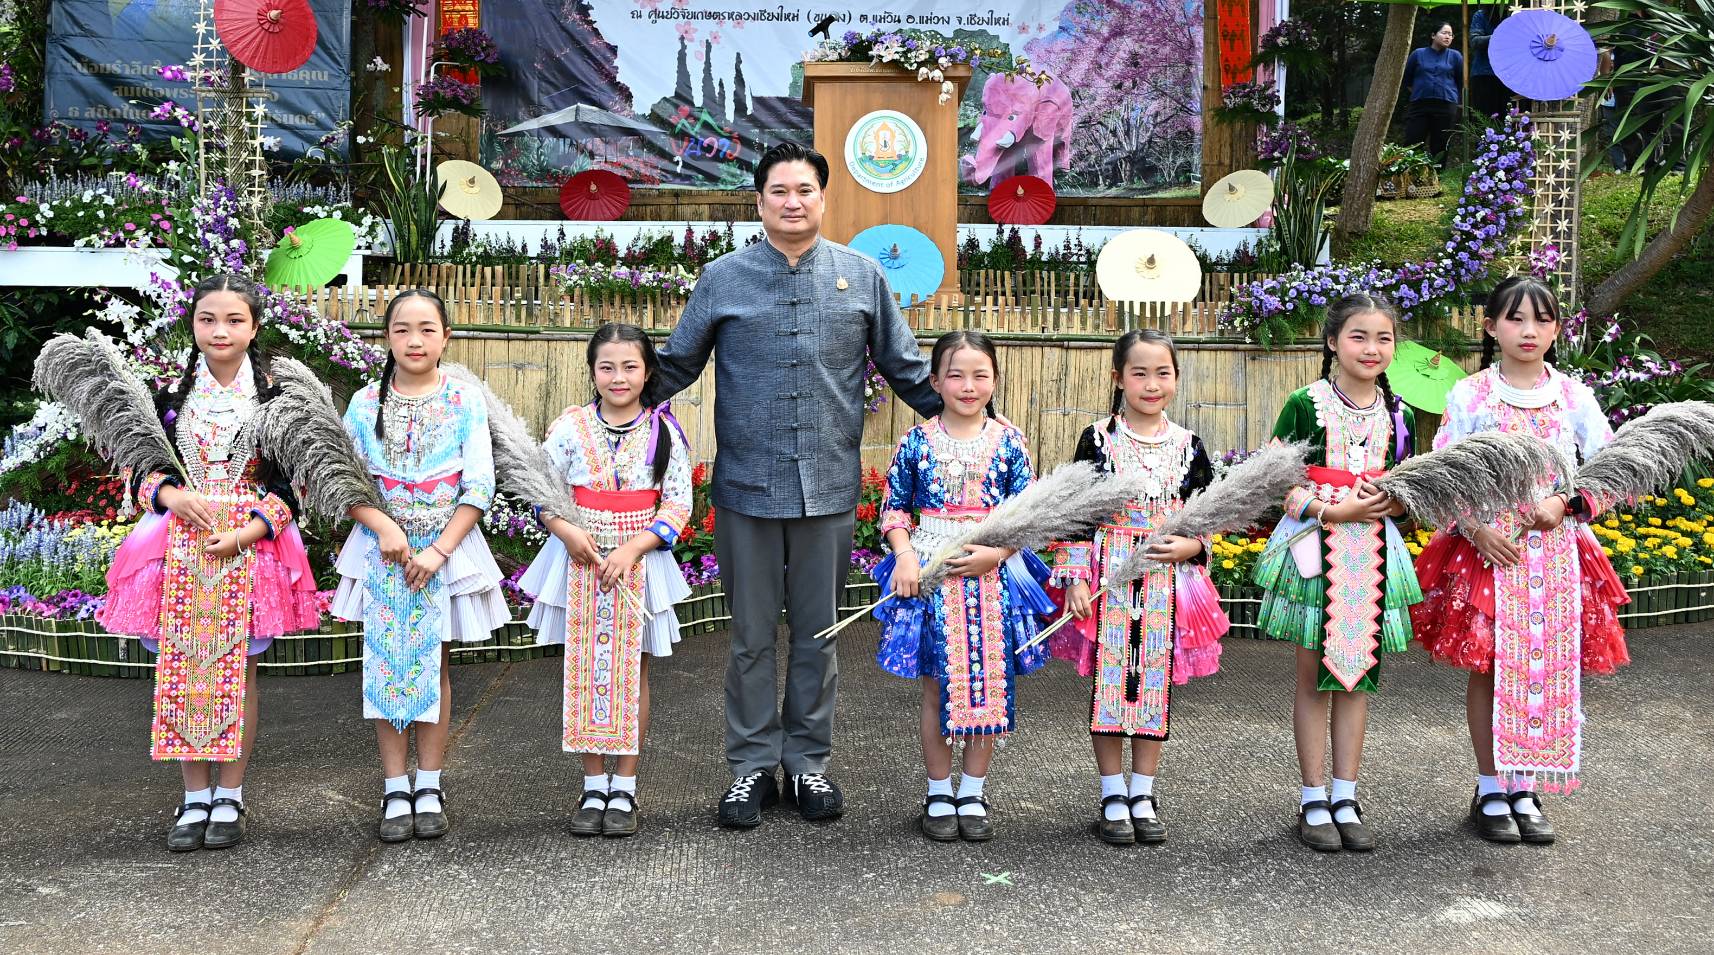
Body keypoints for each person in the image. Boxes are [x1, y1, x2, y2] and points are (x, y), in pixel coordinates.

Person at [652, 141, 943, 830]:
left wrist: (970, 418)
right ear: (758, 201)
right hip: (745, 489)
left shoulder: (862, 275)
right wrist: (611, 407)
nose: (792, 201)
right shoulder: (723, 278)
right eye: (778, 191)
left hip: (828, 489)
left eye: (804, 190)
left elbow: (905, 368)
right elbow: (676, 365)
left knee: (818, 635)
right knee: (751, 638)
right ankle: (751, 765)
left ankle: (808, 761)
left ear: (823, 198)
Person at [98, 273, 320, 852]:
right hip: (177, 544)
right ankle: (194, 796)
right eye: (207, 319)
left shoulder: (276, 400)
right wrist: (170, 496)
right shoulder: (170, 398)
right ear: (193, 325)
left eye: (234, 320)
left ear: (255, 327)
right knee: (179, 666)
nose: (220, 330)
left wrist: (249, 532)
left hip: (249, 546)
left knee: (238, 671)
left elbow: (294, 484)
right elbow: (140, 469)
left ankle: (231, 795)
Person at [1411, 276, 1630, 845]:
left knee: (1546, 665)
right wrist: (1476, 528)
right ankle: (1490, 789)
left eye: (1542, 319)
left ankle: (1525, 788)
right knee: (1491, 667)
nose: (1529, 331)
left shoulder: (1575, 397)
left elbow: (1611, 471)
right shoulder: (1471, 396)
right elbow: (1444, 472)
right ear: (1491, 327)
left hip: (1557, 552)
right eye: (1515, 318)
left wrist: (1565, 504)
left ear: (1557, 329)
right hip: (1491, 553)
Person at [332, 289, 510, 843]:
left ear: (446, 337)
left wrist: (439, 550)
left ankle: (429, 784)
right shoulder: (365, 403)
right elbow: (343, 480)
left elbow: (479, 483)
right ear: (386, 337)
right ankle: (394, 786)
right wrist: (383, 527)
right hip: (380, 547)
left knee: (434, 664)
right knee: (384, 663)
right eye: (403, 329)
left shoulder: (464, 400)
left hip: (445, 546)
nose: (415, 340)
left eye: (427, 329)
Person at [1252, 292, 1420, 853]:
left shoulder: (1400, 415)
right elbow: (1276, 481)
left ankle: (1346, 796)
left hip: (1373, 553)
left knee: (1357, 678)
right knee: (1312, 679)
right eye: (1358, 336)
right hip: (1315, 548)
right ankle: (1312, 798)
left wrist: (1396, 503)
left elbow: (1409, 489)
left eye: (1384, 338)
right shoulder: (1305, 404)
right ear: (1332, 342)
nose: (1372, 348)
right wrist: (1332, 510)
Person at [872, 331, 1054, 842]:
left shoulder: (1010, 442)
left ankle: (972, 791)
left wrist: (998, 552)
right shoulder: (915, 442)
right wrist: (905, 555)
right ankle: (937, 792)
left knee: (990, 681)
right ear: (935, 382)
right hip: (932, 573)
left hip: (994, 575)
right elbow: (893, 509)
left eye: (980, 375)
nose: (968, 386)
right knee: (937, 685)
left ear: (995, 381)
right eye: (956, 375)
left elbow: (1028, 515)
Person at [1049, 329, 1227, 846]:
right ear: (1118, 378)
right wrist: (1076, 576)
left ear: (1176, 378)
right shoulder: (1097, 439)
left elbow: (1208, 513)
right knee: (1111, 683)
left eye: (1162, 373)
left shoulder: (1189, 444)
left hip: (1167, 578)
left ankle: (1143, 793)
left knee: (1154, 680)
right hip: (1108, 574)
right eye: (1139, 373)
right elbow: (1075, 513)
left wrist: (1194, 546)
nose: (1152, 384)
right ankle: (1112, 793)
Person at [520, 323, 693, 838]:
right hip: (580, 555)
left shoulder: (664, 432)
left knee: (632, 670)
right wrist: (566, 531)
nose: (619, 377)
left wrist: (634, 547)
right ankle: (593, 785)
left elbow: (678, 503)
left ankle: (625, 787)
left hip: (639, 560)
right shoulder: (569, 428)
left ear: (648, 371)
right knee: (583, 665)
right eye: (607, 367)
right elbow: (541, 490)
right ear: (592, 371)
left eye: (630, 366)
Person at [1403, 22, 1465, 163]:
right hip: (1420, 104)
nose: (1448, 37)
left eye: (1451, 34)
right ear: (1433, 35)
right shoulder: (1418, 54)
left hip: (1446, 105)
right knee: (1413, 141)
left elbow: (1460, 81)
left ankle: (1438, 174)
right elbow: (1407, 79)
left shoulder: (1456, 56)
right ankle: (1409, 172)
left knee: (1440, 144)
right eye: (1444, 33)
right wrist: (1421, 91)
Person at [1468, 6, 1512, 121]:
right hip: (1485, 73)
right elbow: (1475, 41)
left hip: (1509, 76)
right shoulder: (1481, 15)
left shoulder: (1514, 15)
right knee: (1483, 120)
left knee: (1507, 119)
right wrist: (1499, 36)